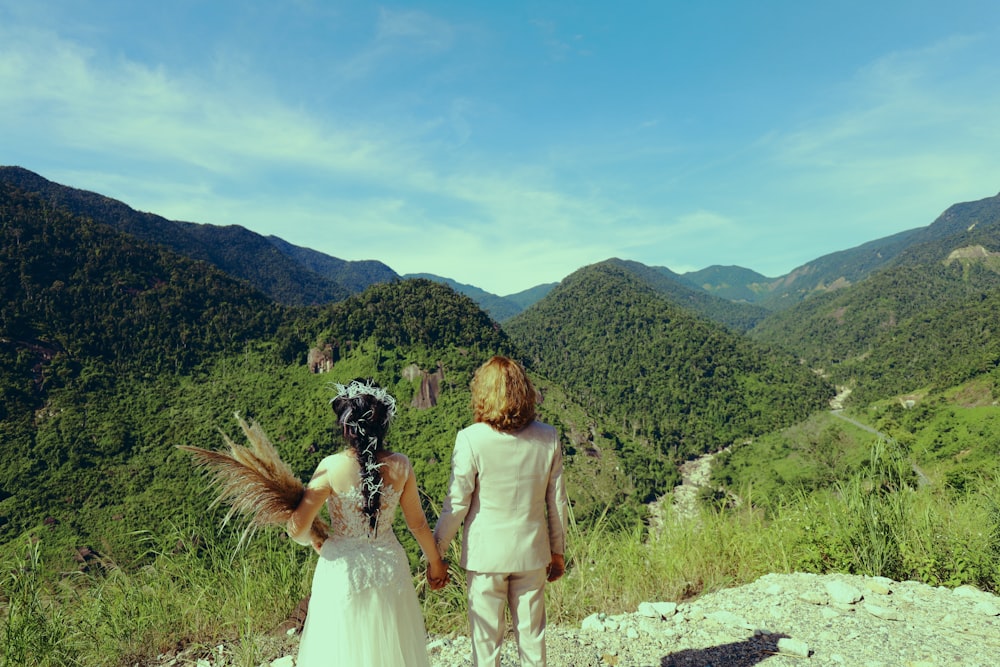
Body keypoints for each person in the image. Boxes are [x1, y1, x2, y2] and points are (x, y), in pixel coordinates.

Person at [286, 378, 449, 666]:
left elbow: (297, 528)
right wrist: (436, 564)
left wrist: (315, 539)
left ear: (347, 427)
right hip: (390, 569)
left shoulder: (331, 467)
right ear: (383, 423)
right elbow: (418, 525)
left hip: (341, 571)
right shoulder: (401, 465)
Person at [434, 355, 569, 667]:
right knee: (533, 639)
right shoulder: (548, 437)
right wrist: (558, 552)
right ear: (525, 391)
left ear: (482, 393)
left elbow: (456, 505)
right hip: (533, 553)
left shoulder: (470, 439)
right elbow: (557, 502)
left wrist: (437, 552)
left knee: (486, 646)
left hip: (485, 558)